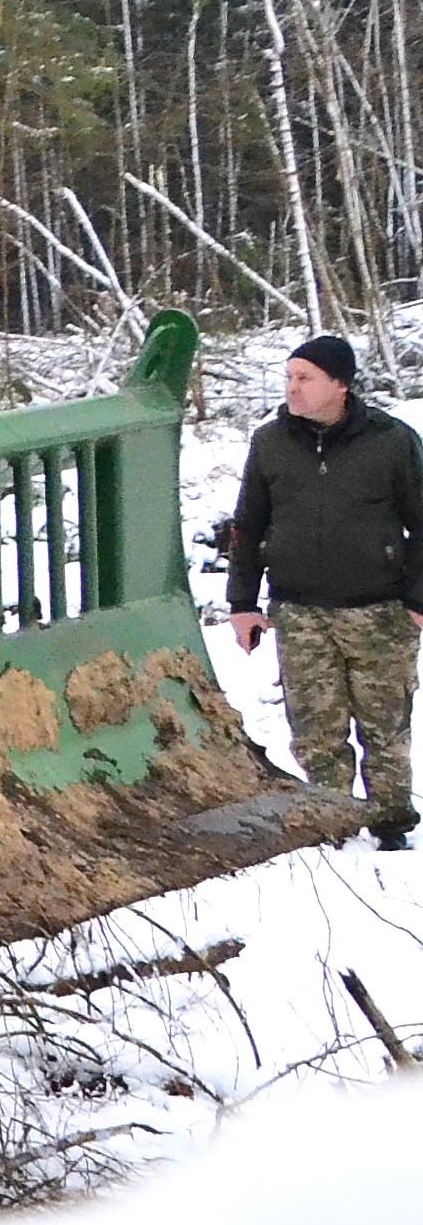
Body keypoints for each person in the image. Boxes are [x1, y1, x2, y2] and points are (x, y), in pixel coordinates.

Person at [224, 330, 423, 849]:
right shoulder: (270, 443)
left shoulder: (391, 440)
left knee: (384, 728)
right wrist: (242, 604)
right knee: (315, 731)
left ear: (340, 384)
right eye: (290, 377)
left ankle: (391, 825)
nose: (292, 388)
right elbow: (247, 525)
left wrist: (418, 600)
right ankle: (332, 826)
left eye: (305, 378)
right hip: (298, 612)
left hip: (379, 611)